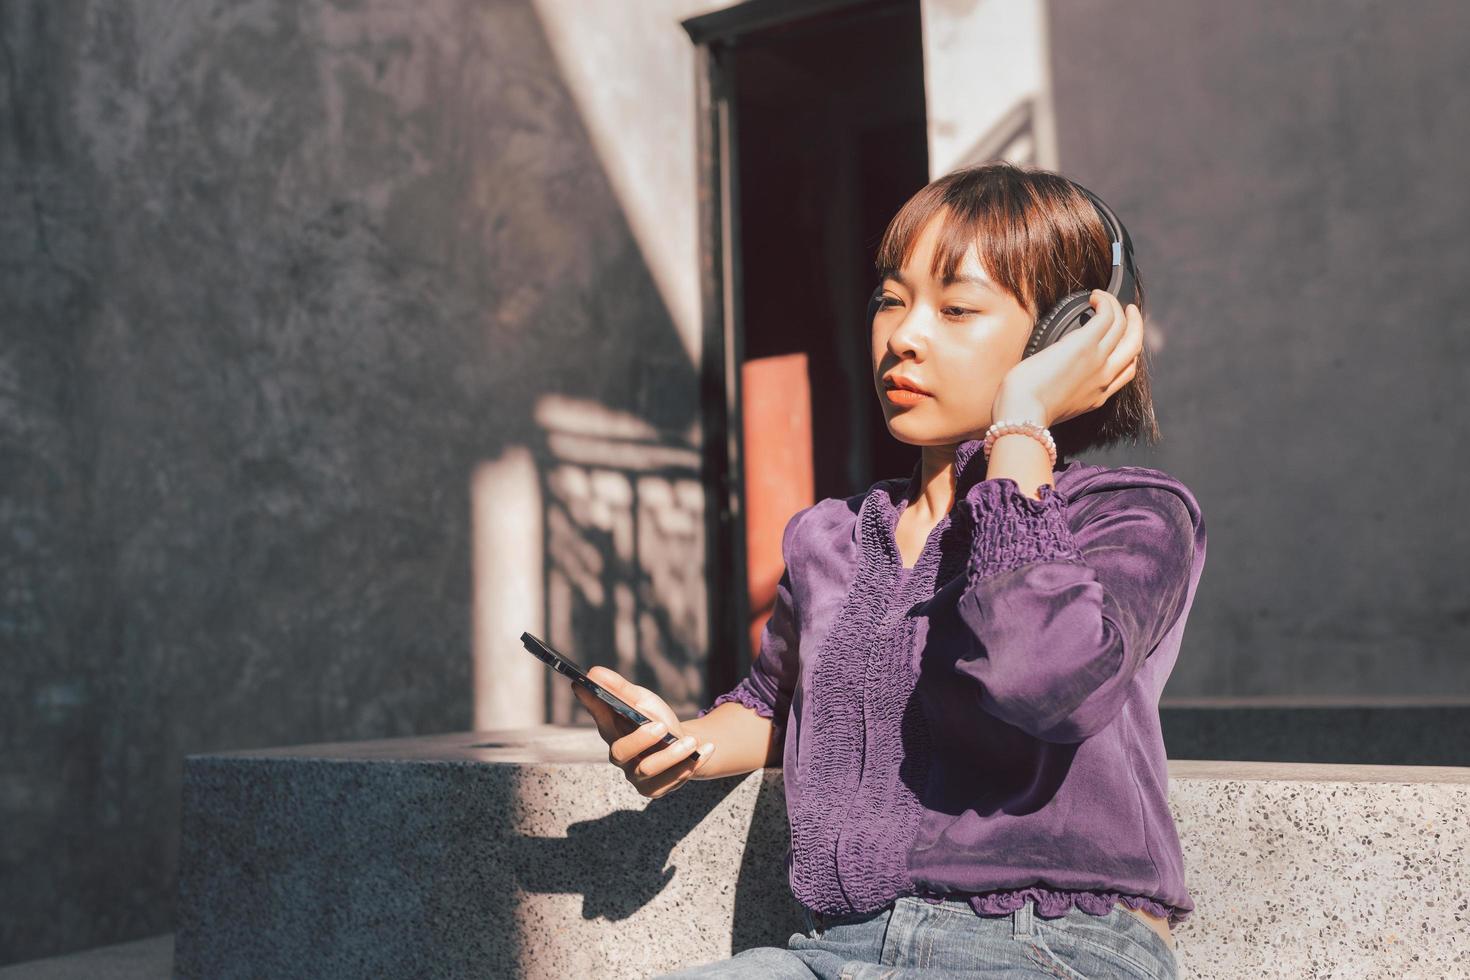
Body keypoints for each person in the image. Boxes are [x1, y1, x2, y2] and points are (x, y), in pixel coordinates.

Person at [572, 162, 1204, 979]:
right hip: (835, 949)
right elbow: (775, 704)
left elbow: (1047, 679)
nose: (903, 335)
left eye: (957, 308)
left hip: (1053, 949)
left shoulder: (1133, 516)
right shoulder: (828, 537)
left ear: (1067, 338)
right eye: (890, 298)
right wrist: (683, 742)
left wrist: (1023, 422)